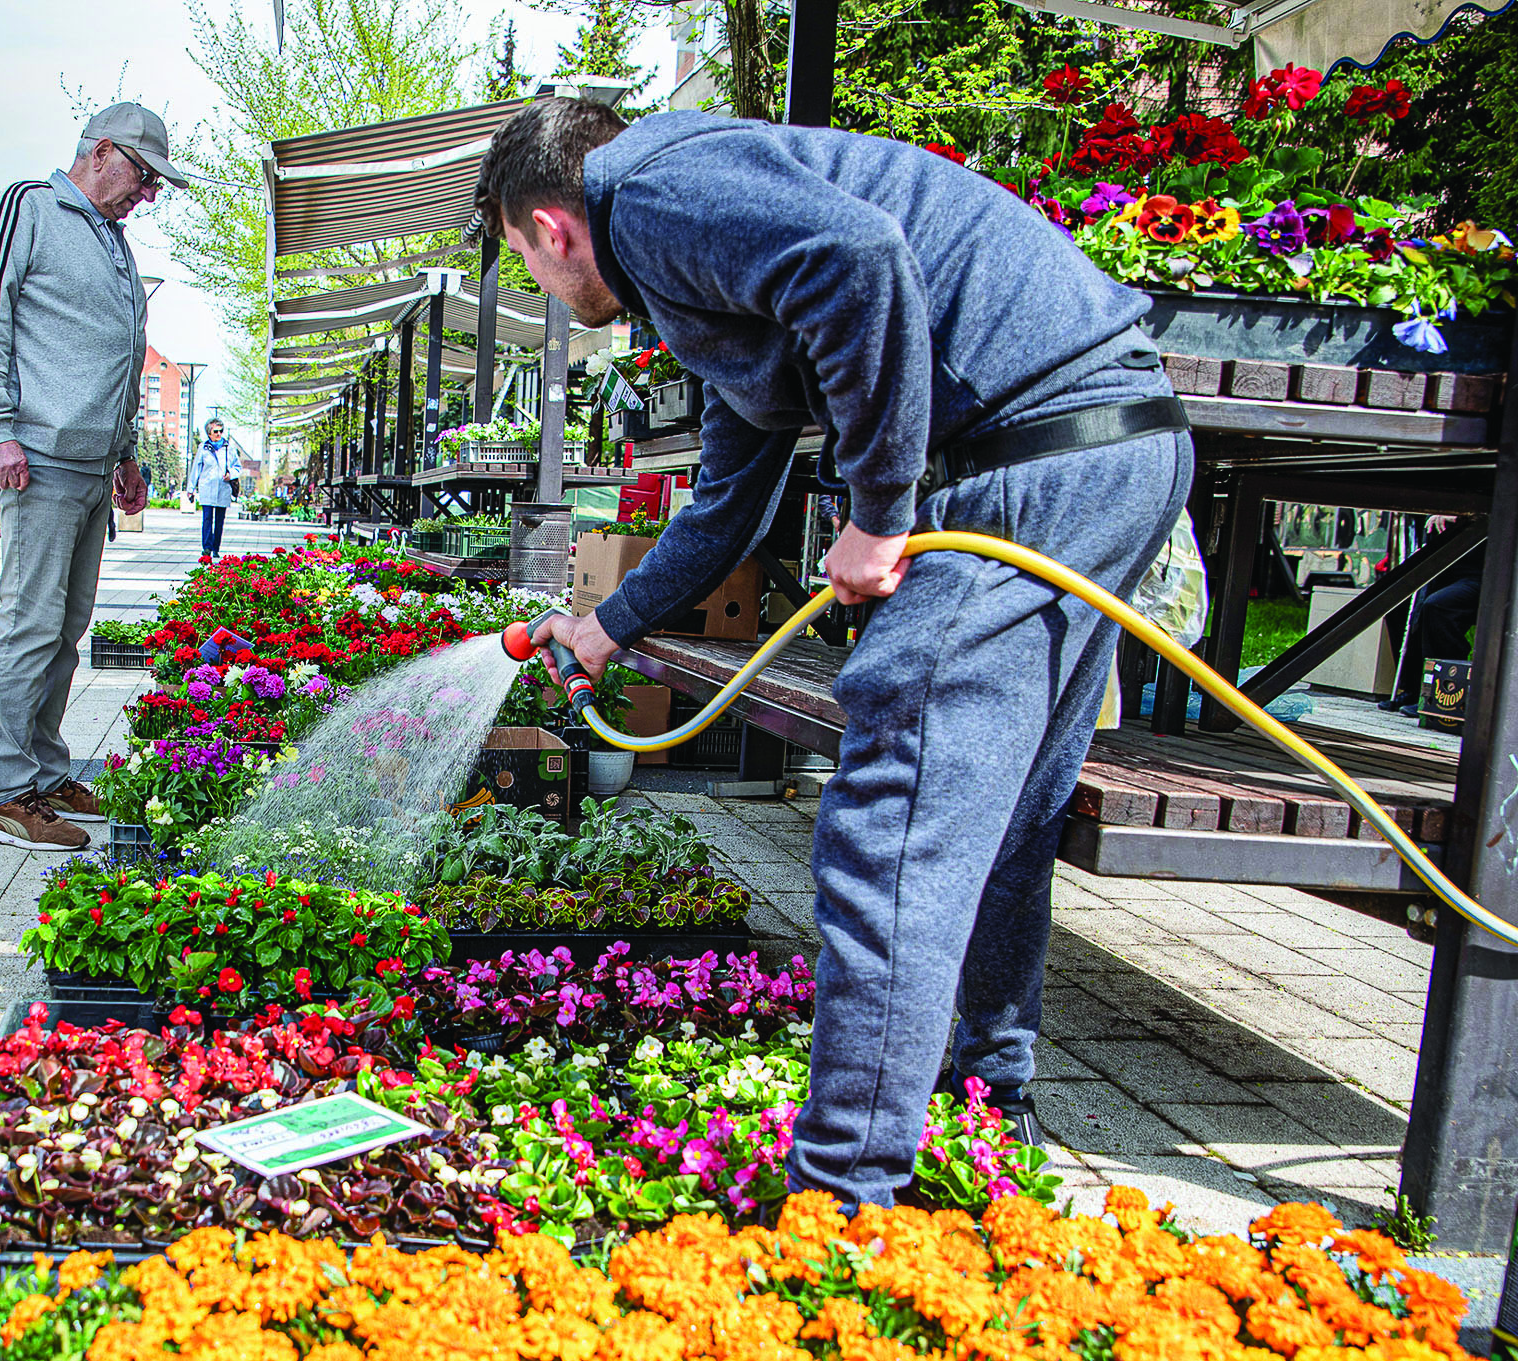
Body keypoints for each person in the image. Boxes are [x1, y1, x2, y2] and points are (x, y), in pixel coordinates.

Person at [485, 99, 1192, 1210]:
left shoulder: (646, 193)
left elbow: (861, 259)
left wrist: (878, 505)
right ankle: (988, 1110)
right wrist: (605, 625)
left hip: (1032, 456)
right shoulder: (699, 244)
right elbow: (723, 511)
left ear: (548, 227)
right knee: (1002, 814)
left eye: (527, 265)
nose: (547, 291)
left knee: (890, 820)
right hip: (1110, 445)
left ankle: (840, 1203)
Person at [0, 102, 162, 852]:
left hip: (88, 466)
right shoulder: (26, 209)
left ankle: (44, 771)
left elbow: (123, 353)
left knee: (66, 632)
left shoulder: (112, 242)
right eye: (144, 176)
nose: (149, 196)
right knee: (30, 625)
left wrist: (127, 452)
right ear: (102, 151)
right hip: (36, 458)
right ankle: (6, 794)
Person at [1381, 515, 1481, 717]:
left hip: (1485, 574)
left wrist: (1461, 515)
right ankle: (1413, 688)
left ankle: (1443, 692)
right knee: (1397, 606)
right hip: (1444, 569)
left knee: (1439, 606)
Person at [185, 418, 243, 557]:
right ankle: (207, 547)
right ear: (209, 433)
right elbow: (196, 468)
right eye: (215, 431)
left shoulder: (229, 448)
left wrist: (231, 475)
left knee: (219, 520)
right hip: (207, 487)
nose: (218, 434)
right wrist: (190, 488)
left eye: (221, 431)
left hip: (223, 488)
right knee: (207, 519)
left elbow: (238, 467)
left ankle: (216, 547)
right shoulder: (203, 448)